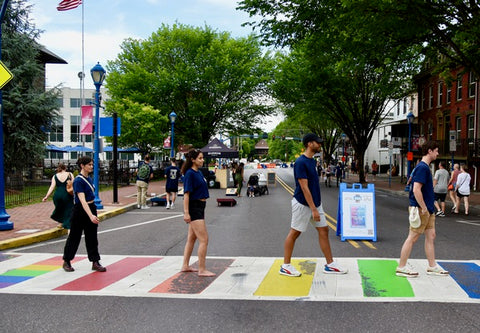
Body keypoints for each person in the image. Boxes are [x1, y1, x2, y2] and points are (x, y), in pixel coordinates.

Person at [279, 133, 348, 277]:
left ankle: (330, 264)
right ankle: (285, 265)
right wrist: (313, 209)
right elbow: (304, 188)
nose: (320, 145)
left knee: (324, 230)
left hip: (315, 204)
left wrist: (316, 207)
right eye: (318, 142)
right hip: (303, 204)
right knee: (295, 233)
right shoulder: (300, 162)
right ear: (309, 144)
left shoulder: (312, 161)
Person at [396, 141, 449, 278]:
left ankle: (432, 266)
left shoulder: (424, 167)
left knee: (431, 236)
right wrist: (424, 207)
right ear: (430, 151)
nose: (438, 153)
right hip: (421, 209)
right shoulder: (423, 168)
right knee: (412, 237)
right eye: (436, 151)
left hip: (427, 209)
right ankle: (401, 267)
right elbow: (416, 189)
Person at [62, 156, 106, 273]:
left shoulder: (89, 179)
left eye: (92, 165)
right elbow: (81, 199)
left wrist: (92, 213)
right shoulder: (78, 181)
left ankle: (95, 261)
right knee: (75, 236)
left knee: (92, 236)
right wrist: (91, 215)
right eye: (89, 165)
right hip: (80, 210)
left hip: (91, 207)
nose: (91, 167)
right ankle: (67, 260)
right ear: (82, 165)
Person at [181, 149, 215, 277]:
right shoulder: (190, 174)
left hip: (200, 206)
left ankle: (185, 265)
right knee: (204, 239)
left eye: (202, 158)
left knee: (192, 238)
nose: (202, 160)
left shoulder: (198, 172)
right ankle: (202, 269)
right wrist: (186, 213)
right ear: (193, 160)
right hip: (194, 207)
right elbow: (186, 194)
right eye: (200, 158)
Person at [42, 163, 74, 229]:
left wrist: (46, 196)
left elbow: (52, 187)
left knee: (59, 208)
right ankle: (67, 224)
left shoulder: (55, 176)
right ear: (65, 168)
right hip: (67, 194)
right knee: (68, 209)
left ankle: (60, 223)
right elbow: (74, 184)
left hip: (57, 195)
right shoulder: (70, 174)